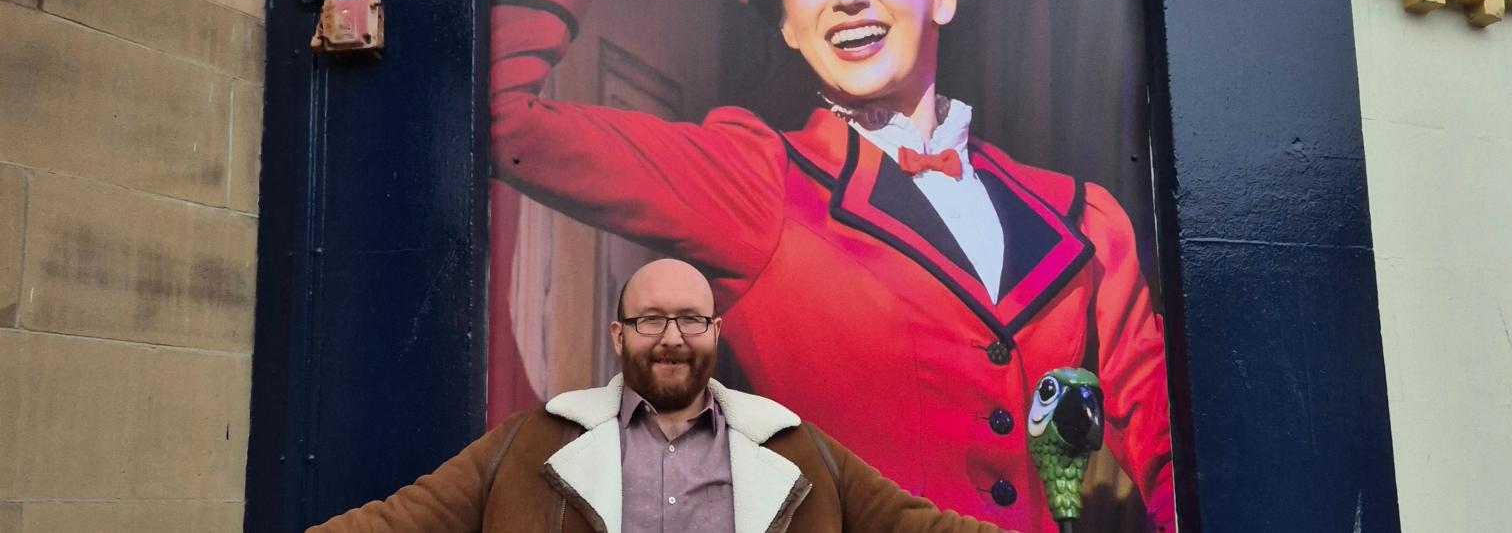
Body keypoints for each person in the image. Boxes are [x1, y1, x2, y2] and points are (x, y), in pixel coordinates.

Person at [491, 0, 1174, 532]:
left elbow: (1172, 458)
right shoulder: (755, 178)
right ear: (788, 22)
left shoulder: (1083, 218)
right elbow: (495, 117)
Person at [309, 259, 1012, 533]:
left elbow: (923, 530)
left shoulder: (797, 449)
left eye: (691, 320)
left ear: (715, 330)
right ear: (619, 333)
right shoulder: (532, 443)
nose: (671, 338)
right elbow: (397, 525)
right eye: (651, 320)